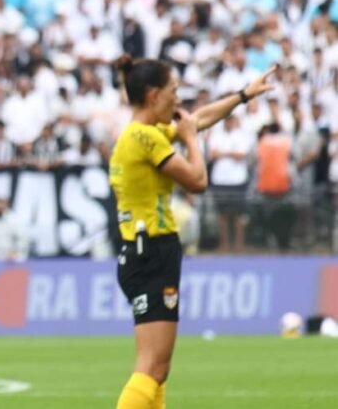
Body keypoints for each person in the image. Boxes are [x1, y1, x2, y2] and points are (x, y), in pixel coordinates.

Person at [109, 55, 274, 409]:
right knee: (151, 367)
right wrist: (191, 141)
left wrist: (243, 95)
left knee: (158, 368)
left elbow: (197, 120)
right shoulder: (144, 138)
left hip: (143, 252)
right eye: (174, 91)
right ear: (153, 95)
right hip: (151, 251)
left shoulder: (141, 134)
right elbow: (198, 181)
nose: (178, 100)